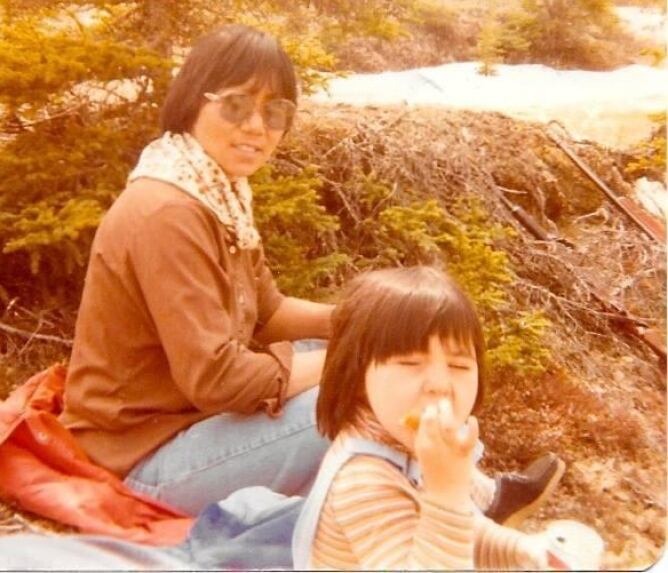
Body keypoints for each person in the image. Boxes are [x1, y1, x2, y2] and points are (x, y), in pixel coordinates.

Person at [59, 24, 562, 519]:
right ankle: (466, 508)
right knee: (368, 386)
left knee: (358, 364)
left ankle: (460, 491)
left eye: (276, 111)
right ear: (194, 100)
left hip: (185, 425)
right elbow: (215, 379)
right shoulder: (168, 213)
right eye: (237, 104)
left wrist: (367, 319)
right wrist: (361, 350)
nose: (257, 126)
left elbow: (269, 313)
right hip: (139, 460)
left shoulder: (212, 192)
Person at [292, 266, 598, 570]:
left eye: (459, 366)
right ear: (358, 378)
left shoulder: (406, 449)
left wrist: (528, 552)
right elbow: (444, 522)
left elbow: (463, 530)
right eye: (410, 363)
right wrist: (446, 491)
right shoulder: (364, 482)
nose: (440, 385)